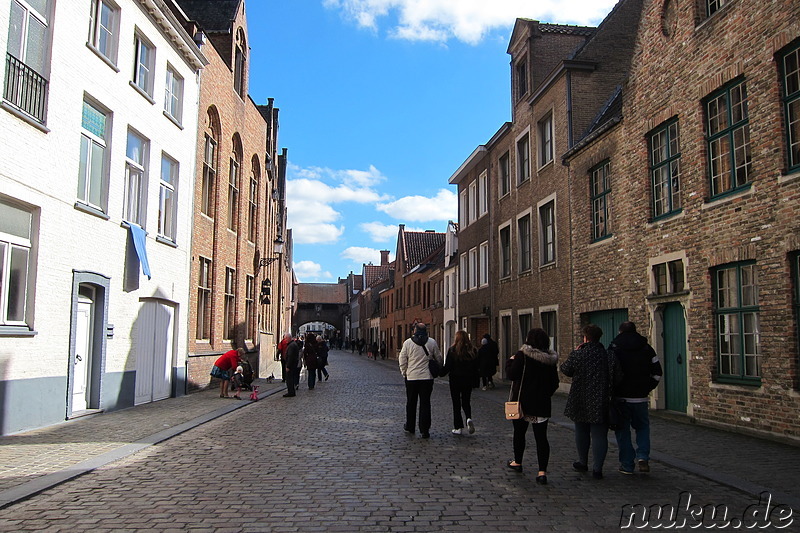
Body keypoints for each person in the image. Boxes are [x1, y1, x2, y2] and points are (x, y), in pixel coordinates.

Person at [560, 324, 619, 480]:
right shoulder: (608, 355)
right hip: (601, 399)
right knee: (600, 435)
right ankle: (598, 468)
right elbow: (618, 376)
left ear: (585, 338)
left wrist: (577, 352)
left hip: (580, 398)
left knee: (581, 431)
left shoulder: (579, 354)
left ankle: (582, 461)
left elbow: (565, 369)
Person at [505, 328, 559, 484]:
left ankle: (518, 461)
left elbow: (512, 374)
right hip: (541, 403)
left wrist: (510, 361)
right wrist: (545, 394)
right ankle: (542, 472)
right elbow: (554, 383)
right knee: (541, 438)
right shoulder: (549, 359)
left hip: (522, 402)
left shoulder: (523, 355)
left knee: (519, 433)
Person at [608, 322, 663, 474]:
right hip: (640, 397)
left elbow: (609, 372)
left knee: (622, 431)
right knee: (643, 428)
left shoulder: (614, 349)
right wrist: (648, 387)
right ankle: (643, 457)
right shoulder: (646, 349)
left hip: (621, 398)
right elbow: (658, 372)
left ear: (620, 332)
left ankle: (627, 464)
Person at [398, 322, 443, 438]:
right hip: (426, 378)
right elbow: (438, 357)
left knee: (411, 403)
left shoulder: (408, 343)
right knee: (425, 403)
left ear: (415, 331)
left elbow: (402, 360)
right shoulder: (432, 342)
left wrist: (405, 373)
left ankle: (410, 426)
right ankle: (424, 429)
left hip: (412, 377)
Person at [442, 331, 479, 436]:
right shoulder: (473, 351)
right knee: (466, 401)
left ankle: (458, 427)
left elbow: (447, 367)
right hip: (468, 380)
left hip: (455, 380)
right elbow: (477, 368)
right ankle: (468, 418)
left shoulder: (452, 350)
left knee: (456, 403)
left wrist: (438, 372)